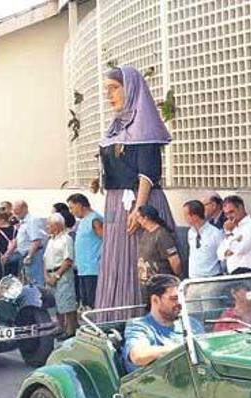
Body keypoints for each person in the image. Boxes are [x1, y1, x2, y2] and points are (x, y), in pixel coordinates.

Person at [96, 66, 175, 315]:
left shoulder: (144, 126)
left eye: (114, 88)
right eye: (107, 90)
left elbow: (147, 173)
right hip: (117, 202)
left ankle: (139, 318)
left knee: (138, 261)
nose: (109, 95)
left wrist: (138, 209)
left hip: (139, 202)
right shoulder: (117, 127)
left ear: (130, 89)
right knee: (117, 262)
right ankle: (114, 318)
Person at [123, 274, 197, 373]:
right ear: (155, 300)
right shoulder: (139, 326)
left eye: (181, 298)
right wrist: (185, 349)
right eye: (174, 298)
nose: (180, 303)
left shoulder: (191, 323)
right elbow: (138, 356)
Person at [43, 213, 78, 337]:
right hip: (50, 272)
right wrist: (46, 276)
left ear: (57, 225)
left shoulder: (66, 239)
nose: (47, 227)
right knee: (55, 304)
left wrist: (56, 276)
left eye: (49, 224)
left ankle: (70, 330)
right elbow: (45, 259)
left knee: (66, 303)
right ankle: (60, 327)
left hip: (62, 274)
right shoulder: (50, 240)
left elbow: (68, 260)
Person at [67, 194, 103, 309]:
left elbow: (105, 239)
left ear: (79, 205)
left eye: (72, 207)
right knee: (86, 302)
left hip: (93, 268)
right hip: (83, 269)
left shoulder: (95, 219)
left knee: (93, 301)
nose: (71, 211)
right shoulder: (82, 221)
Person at [217, 195, 251, 274]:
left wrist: (230, 250)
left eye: (231, 212)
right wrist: (229, 234)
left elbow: (240, 249)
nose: (229, 217)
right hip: (234, 273)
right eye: (226, 214)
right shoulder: (233, 229)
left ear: (241, 208)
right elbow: (220, 254)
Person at [136, 205, 180, 285]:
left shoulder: (162, 235)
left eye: (138, 217)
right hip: (147, 283)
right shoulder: (146, 233)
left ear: (145, 218)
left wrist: (175, 278)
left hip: (160, 283)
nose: (137, 220)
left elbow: (175, 261)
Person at [182, 200, 223, 279]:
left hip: (211, 278)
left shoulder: (215, 233)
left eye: (185, 215)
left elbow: (223, 257)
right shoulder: (190, 232)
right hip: (193, 278)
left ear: (195, 216)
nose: (184, 218)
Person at [11, 201, 46, 287]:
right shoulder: (23, 222)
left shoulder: (32, 221)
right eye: (14, 210)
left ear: (24, 208)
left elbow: (36, 240)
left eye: (17, 210)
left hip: (34, 255)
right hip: (25, 255)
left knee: (36, 282)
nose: (15, 213)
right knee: (29, 282)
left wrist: (29, 256)